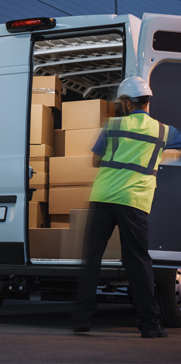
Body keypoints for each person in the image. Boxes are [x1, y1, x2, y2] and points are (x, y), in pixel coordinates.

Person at [73, 76, 181, 338]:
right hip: (134, 202)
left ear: (125, 103)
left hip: (103, 197)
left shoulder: (113, 126)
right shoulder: (165, 131)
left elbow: (96, 161)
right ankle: (149, 325)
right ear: (147, 101)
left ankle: (82, 319)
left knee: (92, 259)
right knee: (138, 262)